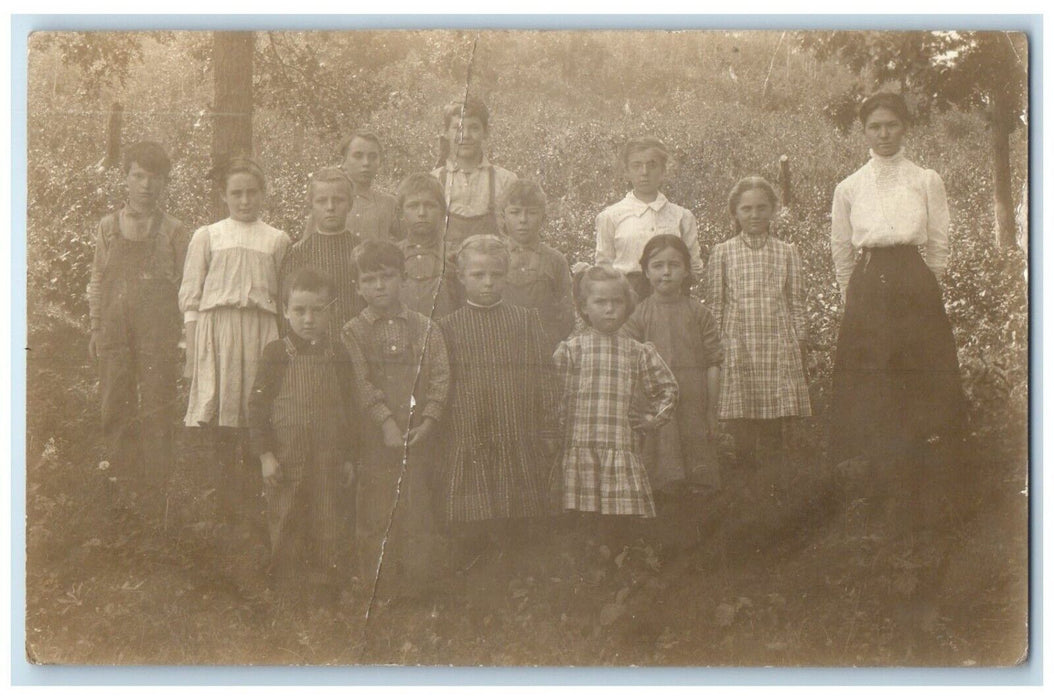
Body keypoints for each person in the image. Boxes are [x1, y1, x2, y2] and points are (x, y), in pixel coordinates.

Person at [828, 92, 964, 521]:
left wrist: (927, 284)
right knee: (873, 375)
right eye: (875, 127)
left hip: (914, 282)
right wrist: (854, 294)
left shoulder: (925, 179)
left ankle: (923, 473)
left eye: (891, 125)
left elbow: (939, 239)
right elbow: (840, 247)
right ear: (864, 131)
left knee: (919, 372)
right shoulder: (849, 186)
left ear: (905, 127)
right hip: (869, 287)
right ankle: (878, 475)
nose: (883, 134)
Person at [180, 155, 291, 534]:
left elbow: (282, 298)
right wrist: (194, 351)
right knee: (221, 414)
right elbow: (192, 296)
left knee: (255, 412)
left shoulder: (277, 239)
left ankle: (255, 511)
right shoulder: (208, 235)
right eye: (236, 193)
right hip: (218, 331)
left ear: (263, 194)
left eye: (252, 193)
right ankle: (224, 511)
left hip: (261, 332)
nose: (244, 201)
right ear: (224, 196)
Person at [435, 235, 558, 560]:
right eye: (478, 275)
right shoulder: (446, 327)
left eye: (496, 274)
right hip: (469, 431)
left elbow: (546, 377)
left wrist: (548, 428)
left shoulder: (525, 320)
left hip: (515, 427)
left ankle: (517, 580)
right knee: (472, 520)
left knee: (517, 520)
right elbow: (440, 386)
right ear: (462, 278)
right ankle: (475, 576)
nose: (488, 283)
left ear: (507, 276)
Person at [87, 141, 189, 522]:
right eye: (138, 176)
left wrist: (182, 339)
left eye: (155, 178)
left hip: (158, 334)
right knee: (116, 404)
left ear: (165, 183)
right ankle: (120, 492)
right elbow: (98, 278)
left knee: (158, 409)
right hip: (114, 329)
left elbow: (185, 288)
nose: (146, 186)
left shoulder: (174, 231)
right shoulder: (108, 227)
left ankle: (156, 501)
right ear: (126, 177)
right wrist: (96, 327)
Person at [343, 240, 451, 600]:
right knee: (375, 512)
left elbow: (439, 376)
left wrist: (430, 421)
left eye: (387, 277)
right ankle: (379, 591)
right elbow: (361, 382)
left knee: (418, 509)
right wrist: (386, 424)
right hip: (376, 440)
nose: (379, 286)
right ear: (357, 286)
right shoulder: (352, 332)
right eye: (370, 279)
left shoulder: (426, 328)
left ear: (403, 279)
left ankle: (418, 590)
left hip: (420, 435)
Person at [247, 267, 356, 606]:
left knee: (329, 519)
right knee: (286, 518)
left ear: (331, 311)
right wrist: (265, 455)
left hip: (329, 457)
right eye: (299, 310)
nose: (308, 319)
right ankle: (286, 593)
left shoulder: (338, 354)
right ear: (285, 310)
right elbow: (257, 407)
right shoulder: (276, 354)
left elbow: (351, 409)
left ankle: (328, 592)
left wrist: (351, 457)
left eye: (317, 310)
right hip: (287, 458)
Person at [553, 266, 679, 541]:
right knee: (582, 524)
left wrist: (651, 420)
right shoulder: (571, 350)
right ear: (584, 307)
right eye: (600, 302)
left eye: (616, 302)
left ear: (627, 305)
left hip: (620, 447)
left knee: (618, 528)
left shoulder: (637, 351)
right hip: (579, 449)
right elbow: (555, 400)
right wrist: (556, 438)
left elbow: (667, 389)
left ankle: (619, 568)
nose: (609, 309)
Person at [706, 176, 811, 472]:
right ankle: (745, 485)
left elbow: (796, 302)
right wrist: (716, 348)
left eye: (762, 208)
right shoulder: (723, 252)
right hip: (738, 343)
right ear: (735, 213)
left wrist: (799, 341)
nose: (754, 215)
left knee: (775, 425)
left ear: (773, 210)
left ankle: (774, 486)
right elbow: (716, 303)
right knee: (743, 423)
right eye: (747, 209)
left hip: (777, 343)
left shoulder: (787, 251)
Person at [623, 235, 723, 496]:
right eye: (657, 265)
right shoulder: (637, 314)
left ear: (686, 269)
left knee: (697, 468)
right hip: (654, 401)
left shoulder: (700, 313)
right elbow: (629, 368)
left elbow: (714, 363)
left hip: (693, 399)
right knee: (660, 467)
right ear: (645, 271)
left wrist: (711, 411)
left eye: (674, 265)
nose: (666, 272)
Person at [595, 136, 704, 299]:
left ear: (663, 170)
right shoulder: (610, 216)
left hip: (672, 299)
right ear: (627, 172)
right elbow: (605, 268)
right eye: (637, 165)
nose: (644, 172)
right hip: (628, 301)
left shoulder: (682, 216)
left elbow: (694, 267)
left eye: (652, 165)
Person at [281, 167, 363, 338]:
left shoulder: (363, 251)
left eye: (338, 200)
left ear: (350, 204)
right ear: (311, 205)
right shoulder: (298, 253)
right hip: (313, 346)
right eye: (322, 201)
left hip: (357, 342)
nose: (330, 207)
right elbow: (288, 305)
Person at [499, 179, 575, 351]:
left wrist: (549, 341)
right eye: (515, 212)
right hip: (500, 348)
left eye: (531, 212)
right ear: (503, 216)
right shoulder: (493, 256)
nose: (523, 219)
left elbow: (566, 314)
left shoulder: (555, 260)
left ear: (544, 217)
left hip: (544, 351)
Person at [432, 97, 518, 248]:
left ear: (486, 132)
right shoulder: (434, 180)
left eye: (474, 128)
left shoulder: (506, 180)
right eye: (457, 128)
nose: (465, 135)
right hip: (448, 269)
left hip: (492, 268)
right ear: (446, 133)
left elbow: (517, 237)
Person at [302, 130, 401, 244]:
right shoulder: (327, 202)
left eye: (373, 157)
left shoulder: (389, 204)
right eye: (358, 156)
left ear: (380, 161)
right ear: (344, 160)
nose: (366, 163)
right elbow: (307, 247)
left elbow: (406, 247)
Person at [396, 172, 460, 318]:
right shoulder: (393, 254)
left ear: (443, 212)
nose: (422, 213)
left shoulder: (455, 254)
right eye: (413, 206)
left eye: (430, 205)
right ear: (401, 213)